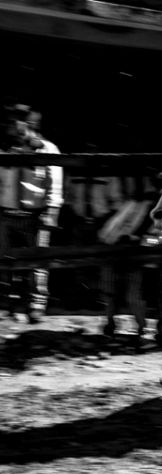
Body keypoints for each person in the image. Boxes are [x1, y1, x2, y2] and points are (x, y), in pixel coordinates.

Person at [0, 103, 63, 323]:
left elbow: (54, 185)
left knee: (38, 263)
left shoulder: (47, 149)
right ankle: (6, 301)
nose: (8, 126)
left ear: (25, 123)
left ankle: (36, 304)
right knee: (4, 260)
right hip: (6, 214)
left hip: (35, 215)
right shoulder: (4, 150)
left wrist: (52, 211)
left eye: (13, 121)